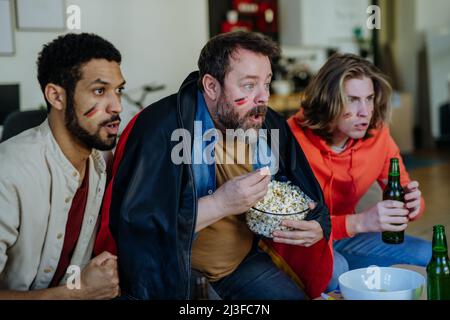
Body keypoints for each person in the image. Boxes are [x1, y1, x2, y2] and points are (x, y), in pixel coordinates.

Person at [94, 31, 331, 300]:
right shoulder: (159, 127)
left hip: (243, 264)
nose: (263, 97)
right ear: (211, 86)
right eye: (249, 85)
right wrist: (221, 203)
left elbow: (304, 188)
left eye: (266, 83)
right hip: (177, 270)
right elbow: (136, 227)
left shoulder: (268, 123)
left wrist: (317, 222)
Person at [285, 53, 430, 291]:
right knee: (335, 271)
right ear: (327, 100)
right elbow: (289, 226)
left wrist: (414, 204)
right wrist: (360, 222)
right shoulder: (292, 138)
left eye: (369, 98)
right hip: (301, 244)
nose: (365, 111)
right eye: (352, 100)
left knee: (428, 254)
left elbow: (404, 188)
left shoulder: (378, 135)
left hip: (347, 238)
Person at [0, 33, 125, 299]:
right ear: (56, 97)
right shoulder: (8, 173)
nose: (117, 106)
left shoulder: (97, 163)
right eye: (100, 91)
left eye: (119, 90)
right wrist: (79, 292)